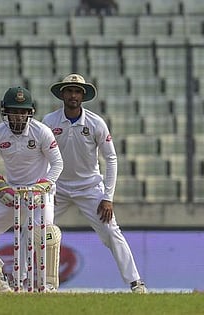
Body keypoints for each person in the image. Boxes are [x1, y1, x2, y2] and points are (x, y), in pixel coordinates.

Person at [42, 74, 148, 293]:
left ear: (83, 96)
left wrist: (108, 197)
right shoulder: (49, 122)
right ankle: (22, 280)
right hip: (57, 188)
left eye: (78, 91)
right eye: (70, 91)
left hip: (89, 188)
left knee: (111, 231)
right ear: (62, 94)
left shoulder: (95, 122)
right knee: (36, 229)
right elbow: (40, 155)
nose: (73, 95)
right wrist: (45, 185)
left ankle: (135, 282)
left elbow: (111, 158)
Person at [0, 86, 63, 293]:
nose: (18, 117)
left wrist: (43, 187)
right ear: (5, 112)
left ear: (30, 112)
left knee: (44, 234)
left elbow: (57, 163)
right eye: (13, 111)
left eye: (22, 112)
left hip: (39, 193)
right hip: (11, 193)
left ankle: (47, 285)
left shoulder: (42, 132)